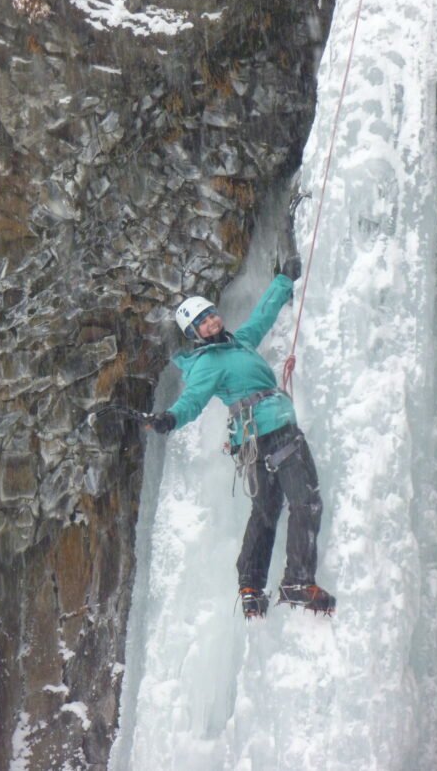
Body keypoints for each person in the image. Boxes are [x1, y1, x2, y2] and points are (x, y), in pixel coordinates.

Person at [150, 256, 335, 618]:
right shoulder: (207, 362)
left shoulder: (239, 344)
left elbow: (261, 318)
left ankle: (251, 587)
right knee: (305, 502)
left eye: (211, 314)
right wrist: (171, 418)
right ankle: (297, 580)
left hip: (254, 442)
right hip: (276, 432)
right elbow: (193, 400)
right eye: (201, 322)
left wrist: (283, 280)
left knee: (266, 511)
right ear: (193, 334)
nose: (211, 321)